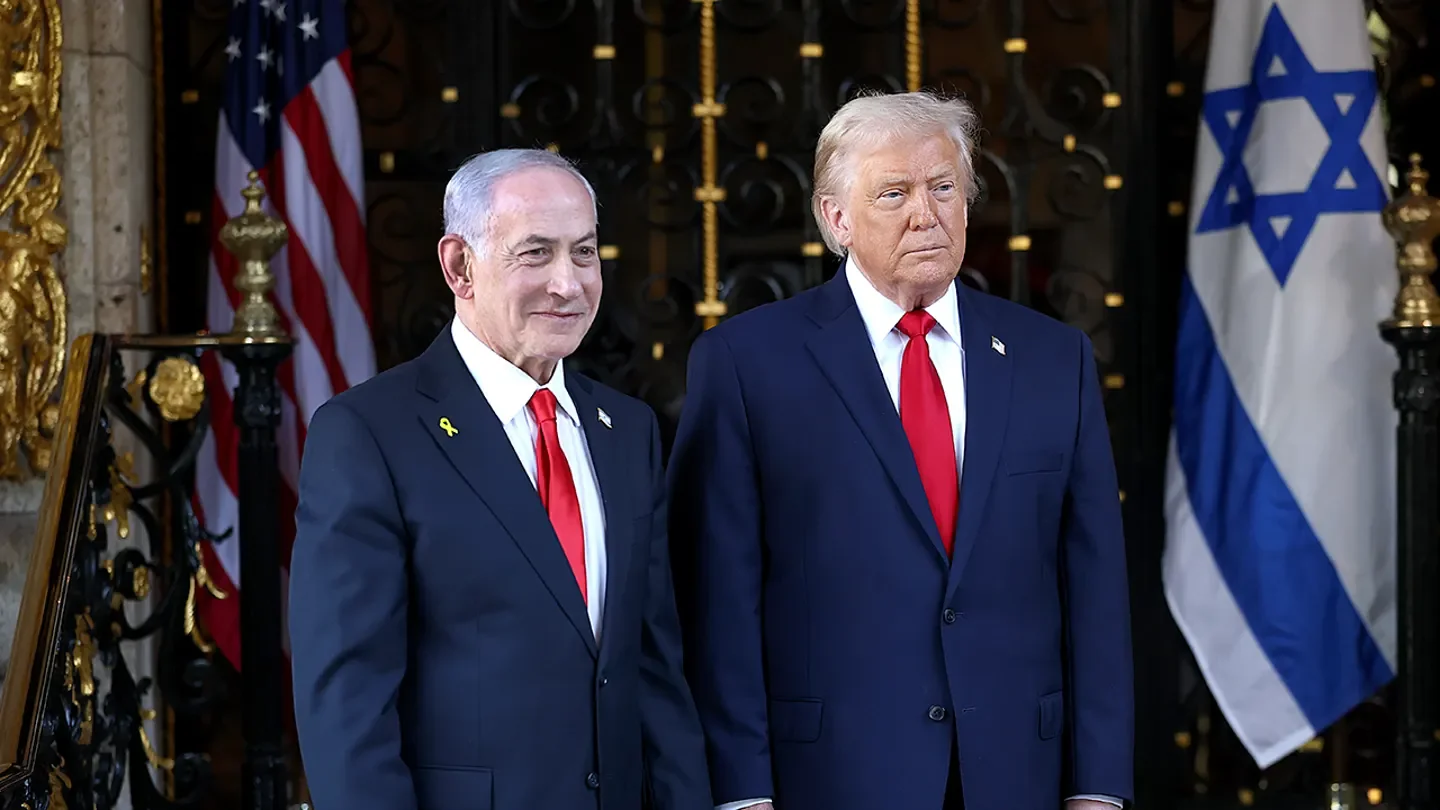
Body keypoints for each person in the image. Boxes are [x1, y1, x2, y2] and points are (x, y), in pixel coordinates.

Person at [667, 91, 1134, 810]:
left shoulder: (1054, 359)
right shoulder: (744, 363)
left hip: (1016, 774)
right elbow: (718, 600)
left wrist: (1099, 787)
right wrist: (741, 792)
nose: (927, 213)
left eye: (944, 187)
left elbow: (1095, 589)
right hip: (826, 777)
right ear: (836, 218)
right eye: (895, 193)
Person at [290, 148, 712, 810]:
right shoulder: (369, 433)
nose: (568, 283)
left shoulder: (627, 432)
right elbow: (346, 704)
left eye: (583, 252)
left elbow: (654, 671)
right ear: (460, 266)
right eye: (536, 253)